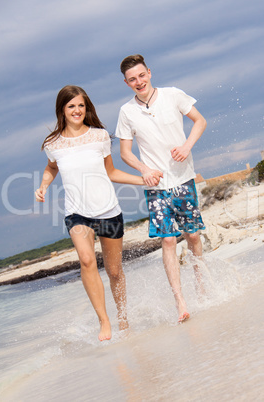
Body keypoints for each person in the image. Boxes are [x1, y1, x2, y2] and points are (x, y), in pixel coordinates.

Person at [35, 85, 159, 341]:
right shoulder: (53, 143)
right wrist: (44, 185)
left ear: (87, 107)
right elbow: (51, 167)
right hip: (77, 213)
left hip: (108, 211)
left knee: (114, 272)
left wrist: (144, 178)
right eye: (71, 106)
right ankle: (104, 322)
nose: (77, 110)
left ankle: (123, 317)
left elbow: (111, 173)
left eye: (81, 105)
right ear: (62, 110)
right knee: (87, 260)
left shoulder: (100, 136)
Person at [115, 54, 207, 323]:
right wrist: (144, 170)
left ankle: (201, 285)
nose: (138, 82)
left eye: (142, 76)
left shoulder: (173, 95)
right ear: (126, 83)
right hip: (156, 187)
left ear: (149, 73)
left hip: (183, 178)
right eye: (132, 79)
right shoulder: (126, 112)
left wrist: (187, 146)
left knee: (192, 236)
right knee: (168, 240)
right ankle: (180, 301)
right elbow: (125, 153)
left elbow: (199, 121)